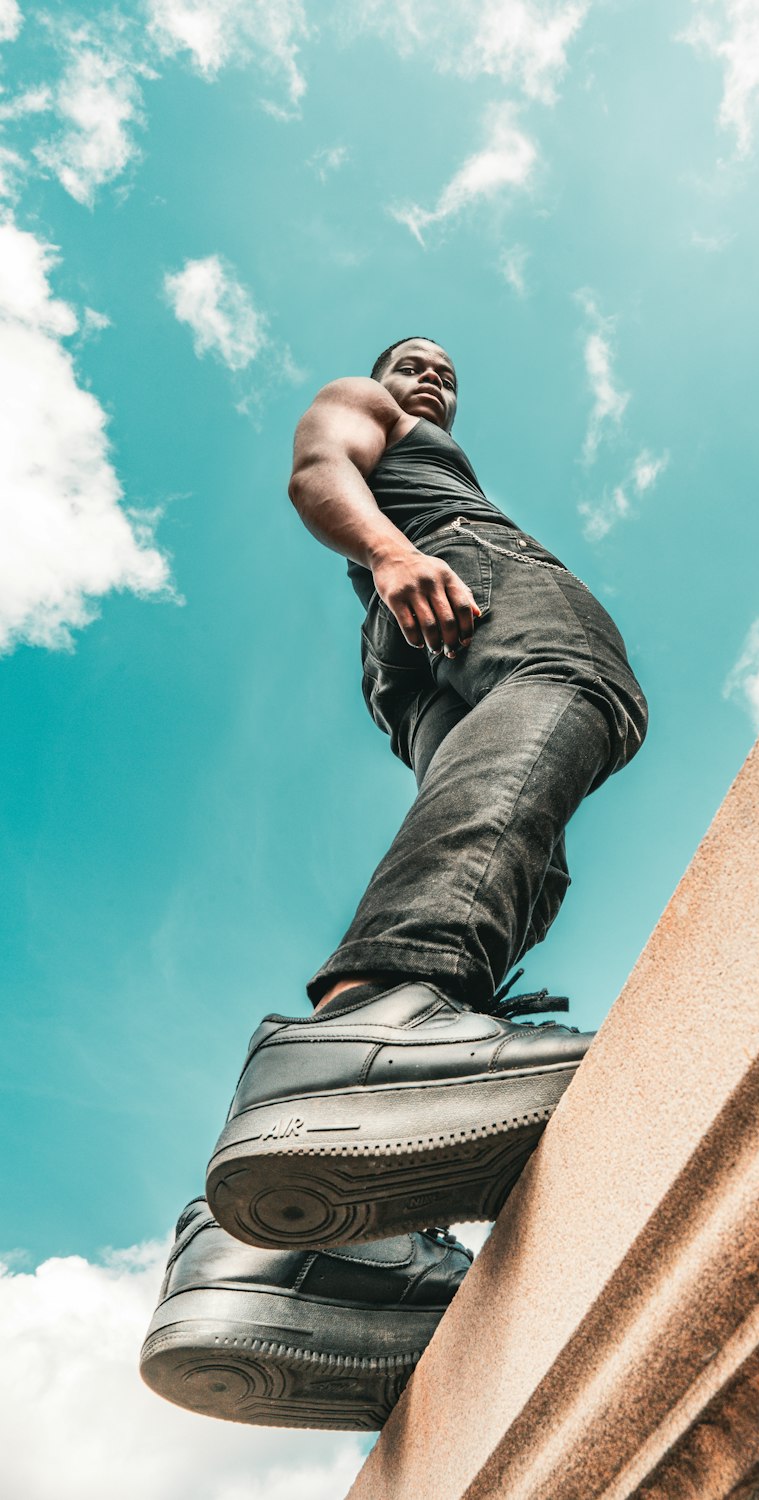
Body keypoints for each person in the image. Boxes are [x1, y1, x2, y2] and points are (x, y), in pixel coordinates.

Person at [141, 337, 648, 1429]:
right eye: (409, 361)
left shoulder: (420, 466)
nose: (428, 378)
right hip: (446, 566)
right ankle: (378, 1023)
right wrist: (389, 552)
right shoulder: (368, 413)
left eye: (446, 372)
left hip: (410, 652)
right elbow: (316, 468)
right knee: (576, 684)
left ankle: (299, 1247)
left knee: (518, 853)